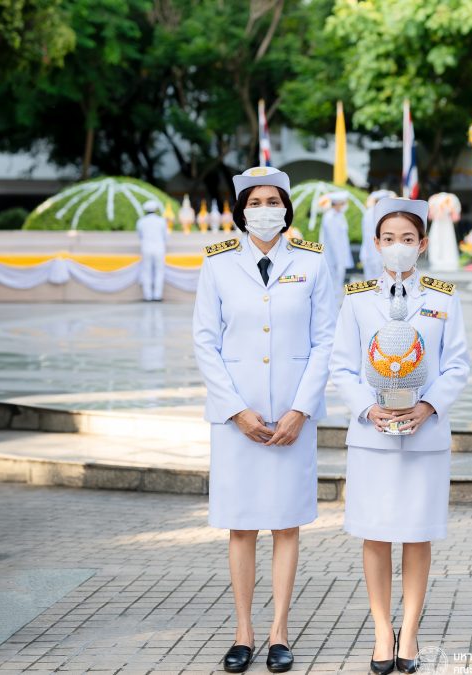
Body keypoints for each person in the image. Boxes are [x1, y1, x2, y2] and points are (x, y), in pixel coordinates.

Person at [192, 166, 335, 674]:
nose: (264, 210)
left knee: (286, 524)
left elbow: (326, 342)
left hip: (293, 416)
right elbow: (205, 342)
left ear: (287, 208)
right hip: (238, 419)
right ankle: (243, 631)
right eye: (254, 202)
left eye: (273, 200)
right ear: (240, 210)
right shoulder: (217, 265)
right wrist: (236, 410)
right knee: (242, 527)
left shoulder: (314, 263)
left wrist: (301, 409)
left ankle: (279, 631)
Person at [330, 197, 470, 675]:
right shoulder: (356, 296)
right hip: (372, 434)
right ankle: (379, 629)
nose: (397, 248)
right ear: (376, 244)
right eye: (388, 239)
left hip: (423, 434)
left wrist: (428, 406)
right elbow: (342, 365)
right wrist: (367, 408)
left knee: (415, 534)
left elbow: (457, 365)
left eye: (407, 239)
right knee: (375, 533)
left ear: (423, 244)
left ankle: (408, 632)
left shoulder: (444, 297)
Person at [319, 191, 355, 293]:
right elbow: (333, 241)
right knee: (332, 285)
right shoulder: (330, 217)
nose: (344, 206)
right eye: (343, 203)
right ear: (337, 203)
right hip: (333, 258)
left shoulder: (340, 215)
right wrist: (339, 259)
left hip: (340, 256)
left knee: (338, 284)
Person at [135, 200, 168, 301]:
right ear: (156, 210)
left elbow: (139, 236)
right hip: (159, 248)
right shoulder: (161, 221)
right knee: (159, 271)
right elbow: (165, 237)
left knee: (146, 271)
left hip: (146, 248)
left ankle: (147, 296)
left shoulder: (141, 221)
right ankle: (157, 295)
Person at [360, 189, 396, 279]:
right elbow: (370, 236)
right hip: (373, 254)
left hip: (376, 254)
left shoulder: (376, 212)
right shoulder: (374, 213)